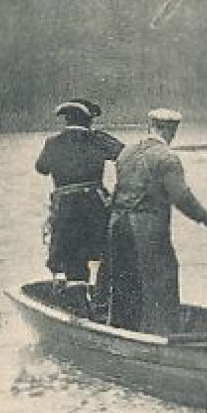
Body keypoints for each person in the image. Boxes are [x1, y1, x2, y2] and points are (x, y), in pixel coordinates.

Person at [105, 108, 207, 332]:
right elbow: (181, 196)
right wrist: (205, 217)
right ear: (171, 130)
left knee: (125, 280)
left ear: (150, 126)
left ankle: (122, 331)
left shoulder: (126, 153)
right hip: (147, 230)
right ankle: (163, 334)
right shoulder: (167, 158)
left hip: (118, 226)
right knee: (162, 280)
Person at [34, 99, 124, 285]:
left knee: (71, 260)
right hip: (95, 207)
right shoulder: (98, 140)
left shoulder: (53, 143)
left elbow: (41, 168)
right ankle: (103, 300)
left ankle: (77, 300)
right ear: (89, 120)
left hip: (65, 211)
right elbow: (124, 155)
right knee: (107, 255)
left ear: (66, 120)